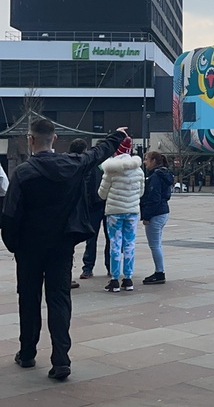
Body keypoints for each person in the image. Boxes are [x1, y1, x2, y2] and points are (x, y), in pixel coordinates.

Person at [1, 118, 127, 380]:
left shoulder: (23, 173)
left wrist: (13, 244)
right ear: (55, 139)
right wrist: (116, 135)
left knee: (29, 298)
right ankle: (61, 359)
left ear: (30, 139)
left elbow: (10, 214)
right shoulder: (73, 164)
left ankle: (27, 352)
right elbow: (97, 153)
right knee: (59, 299)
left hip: (29, 247)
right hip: (61, 244)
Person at [98, 136, 145, 292]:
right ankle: (128, 278)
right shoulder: (138, 170)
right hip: (132, 211)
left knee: (115, 244)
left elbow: (102, 194)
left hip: (114, 212)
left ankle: (114, 279)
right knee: (129, 244)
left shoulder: (111, 170)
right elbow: (141, 192)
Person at [69, 138, 110, 281]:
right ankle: (88, 267)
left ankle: (110, 266)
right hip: (94, 206)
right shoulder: (90, 164)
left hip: (108, 205)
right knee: (91, 238)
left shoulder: (110, 165)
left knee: (110, 238)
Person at [140, 151, 173, 284]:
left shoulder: (155, 176)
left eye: (146, 159)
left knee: (154, 245)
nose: (144, 162)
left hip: (156, 213)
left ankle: (159, 272)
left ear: (153, 161)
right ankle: (159, 271)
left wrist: (146, 216)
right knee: (157, 244)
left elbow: (154, 198)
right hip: (163, 211)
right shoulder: (164, 174)